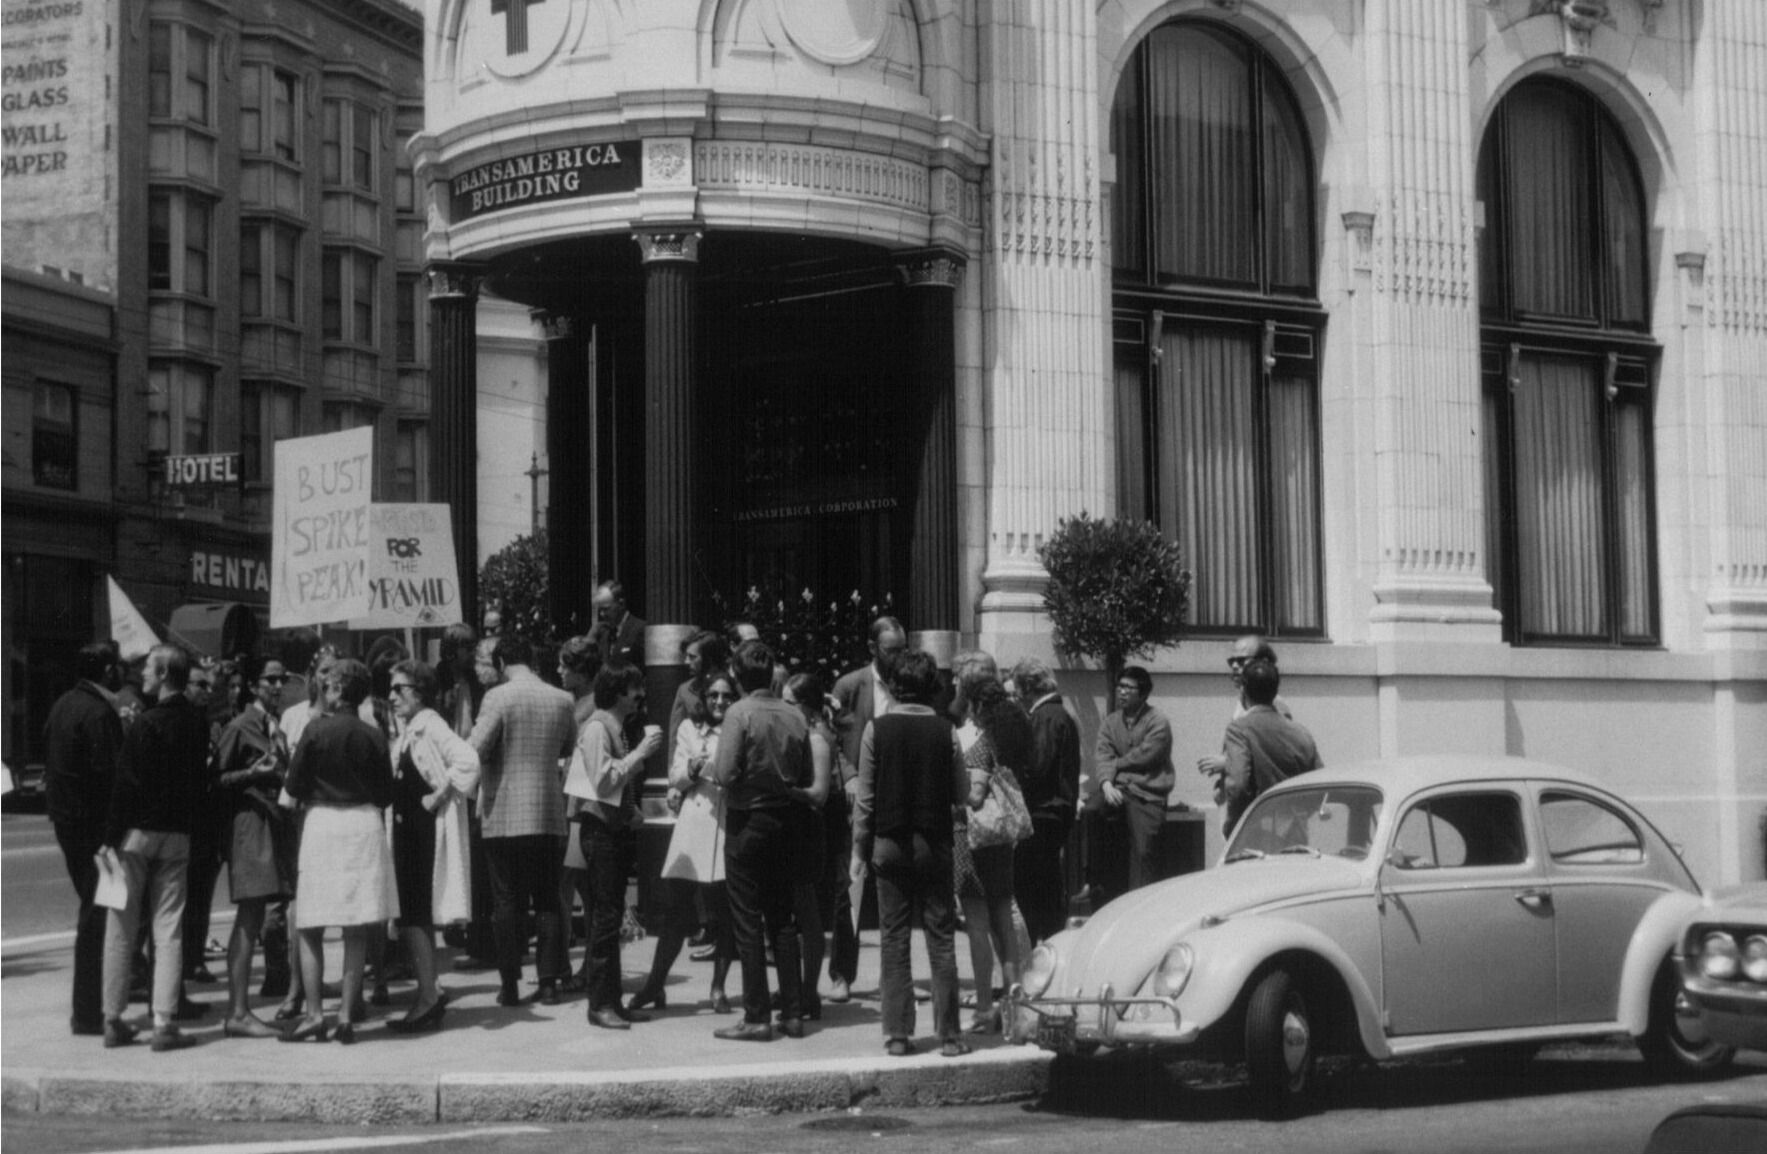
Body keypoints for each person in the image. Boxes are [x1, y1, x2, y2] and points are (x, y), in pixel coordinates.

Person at [850, 649, 970, 1058]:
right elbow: (963, 793)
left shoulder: (876, 730)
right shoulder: (945, 731)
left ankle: (898, 1033)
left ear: (895, 685)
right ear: (931, 686)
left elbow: (864, 800)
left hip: (889, 842)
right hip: (935, 843)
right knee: (940, 938)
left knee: (893, 938)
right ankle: (950, 1035)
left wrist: (858, 849)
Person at [279, 659, 396, 1044]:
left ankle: (315, 1014)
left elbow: (293, 788)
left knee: (310, 923)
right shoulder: (374, 735)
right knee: (357, 923)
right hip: (363, 823)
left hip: (323, 824)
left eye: (328, 685)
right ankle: (347, 1012)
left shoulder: (314, 730)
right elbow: (385, 793)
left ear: (337, 690)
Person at [99, 643, 208, 1051]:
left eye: (148, 668)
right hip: (177, 834)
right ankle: (164, 1021)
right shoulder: (197, 724)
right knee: (169, 928)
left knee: (121, 926)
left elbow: (125, 784)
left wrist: (110, 838)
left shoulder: (145, 724)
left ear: (164, 675)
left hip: (136, 834)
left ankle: (113, 1018)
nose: (142, 674)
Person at [709, 640, 811, 1042]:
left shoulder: (739, 713)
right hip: (785, 820)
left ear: (737, 675)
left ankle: (756, 1016)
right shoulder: (794, 714)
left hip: (747, 819)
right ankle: (792, 1012)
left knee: (747, 922)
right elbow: (803, 772)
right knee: (782, 920)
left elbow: (724, 771)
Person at [468, 634, 576, 1008]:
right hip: (547, 811)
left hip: (504, 813)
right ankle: (548, 982)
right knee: (546, 898)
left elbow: (476, 748)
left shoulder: (497, 697)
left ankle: (509, 983)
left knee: (506, 901)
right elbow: (566, 747)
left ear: (500, 664)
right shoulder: (562, 699)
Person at [631, 672, 739, 1014]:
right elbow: (675, 775)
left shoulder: (738, 728)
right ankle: (655, 984)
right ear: (703, 699)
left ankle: (719, 987)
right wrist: (691, 770)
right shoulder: (689, 730)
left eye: (726, 696)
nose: (720, 702)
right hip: (694, 826)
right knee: (676, 912)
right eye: (713, 696)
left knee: (724, 914)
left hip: (726, 826)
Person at [566, 662, 664, 1029]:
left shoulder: (614, 727)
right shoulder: (597, 727)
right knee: (605, 919)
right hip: (601, 835)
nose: (640, 696)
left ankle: (612, 1001)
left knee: (610, 916)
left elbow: (614, 790)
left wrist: (632, 812)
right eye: (634, 689)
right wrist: (640, 754)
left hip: (614, 831)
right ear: (618, 693)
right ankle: (600, 1003)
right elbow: (603, 781)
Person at [385, 659, 480, 1033]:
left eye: (400, 689)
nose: (392, 696)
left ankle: (426, 997)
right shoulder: (411, 728)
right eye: (391, 689)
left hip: (423, 838)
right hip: (408, 835)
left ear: (419, 692)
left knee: (415, 917)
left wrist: (440, 793)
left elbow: (468, 760)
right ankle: (430, 988)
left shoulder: (432, 725)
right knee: (411, 917)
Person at [43, 640, 125, 1037]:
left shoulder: (63, 705)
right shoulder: (98, 712)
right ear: (109, 671)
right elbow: (110, 776)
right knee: (99, 916)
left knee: (95, 911)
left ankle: (92, 1008)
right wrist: (115, 833)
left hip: (68, 822)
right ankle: (90, 1012)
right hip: (95, 829)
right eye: (119, 666)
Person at [212, 656, 295, 1038]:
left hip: (271, 825)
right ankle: (238, 1011)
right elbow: (216, 780)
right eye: (269, 680)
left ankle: (240, 1010)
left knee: (258, 913)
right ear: (254, 685)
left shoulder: (271, 725)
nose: (277, 686)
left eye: (281, 681)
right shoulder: (241, 726)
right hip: (249, 826)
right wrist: (253, 773)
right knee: (249, 916)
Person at [826, 615, 907, 1001]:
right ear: (874, 649)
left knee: (897, 890)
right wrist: (850, 776)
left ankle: (894, 978)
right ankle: (842, 974)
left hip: (898, 799)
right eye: (892, 650)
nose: (899, 657)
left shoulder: (907, 684)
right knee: (851, 888)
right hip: (859, 801)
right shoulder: (849, 685)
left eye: (902, 649)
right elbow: (830, 739)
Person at [1084, 665, 1174, 907]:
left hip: (1147, 792)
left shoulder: (1158, 721)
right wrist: (1105, 784)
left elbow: (1146, 756)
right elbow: (1102, 754)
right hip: (1117, 789)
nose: (1122, 692)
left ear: (1143, 694)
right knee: (1091, 811)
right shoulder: (1111, 722)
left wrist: (1116, 765)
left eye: (1128, 688)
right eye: (1120, 686)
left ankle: (1142, 905)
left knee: (1144, 852)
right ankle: (1093, 885)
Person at [1008, 657, 1080, 945]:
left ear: (1027, 688)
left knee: (1035, 891)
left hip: (1042, 813)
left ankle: (1044, 948)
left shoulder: (1046, 717)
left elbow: (1037, 766)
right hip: (1053, 812)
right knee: (1045, 888)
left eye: (1017, 691)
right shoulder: (1056, 715)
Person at [1211, 659, 1323, 833]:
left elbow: (1238, 785)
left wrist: (1233, 828)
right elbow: (1319, 784)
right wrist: (1299, 815)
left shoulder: (1239, 729)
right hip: (1296, 831)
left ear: (1243, 690)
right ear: (1275, 690)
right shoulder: (1301, 732)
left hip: (1256, 831)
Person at [781, 672, 835, 1021]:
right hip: (794, 829)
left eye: (788, 702)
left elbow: (819, 794)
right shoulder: (802, 734)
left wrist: (784, 790)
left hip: (806, 831)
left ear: (806, 706)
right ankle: (798, 988)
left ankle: (808, 989)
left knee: (808, 915)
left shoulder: (817, 739)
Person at [1196, 634, 1294, 784]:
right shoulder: (1243, 699)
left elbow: (1274, 758)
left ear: (1263, 662)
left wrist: (1226, 763)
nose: (1235, 666)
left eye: (1241, 661)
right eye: (1231, 661)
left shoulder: (1274, 705)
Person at [586, 581, 646, 667]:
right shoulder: (602, 631)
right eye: (600, 610)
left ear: (621, 604)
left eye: (606, 609)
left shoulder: (640, 629)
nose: (602, 614)